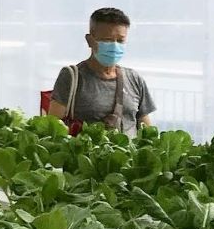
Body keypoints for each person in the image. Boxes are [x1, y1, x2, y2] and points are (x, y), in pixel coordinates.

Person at [48, 7, 156, 137]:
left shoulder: (134, 78)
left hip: (130, 156)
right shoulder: (72, 77)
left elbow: (148, 131)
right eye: (107, 40)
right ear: (90, 40)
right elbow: (53, 127)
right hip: (87, 156)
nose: (115, 46)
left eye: (120, 40)